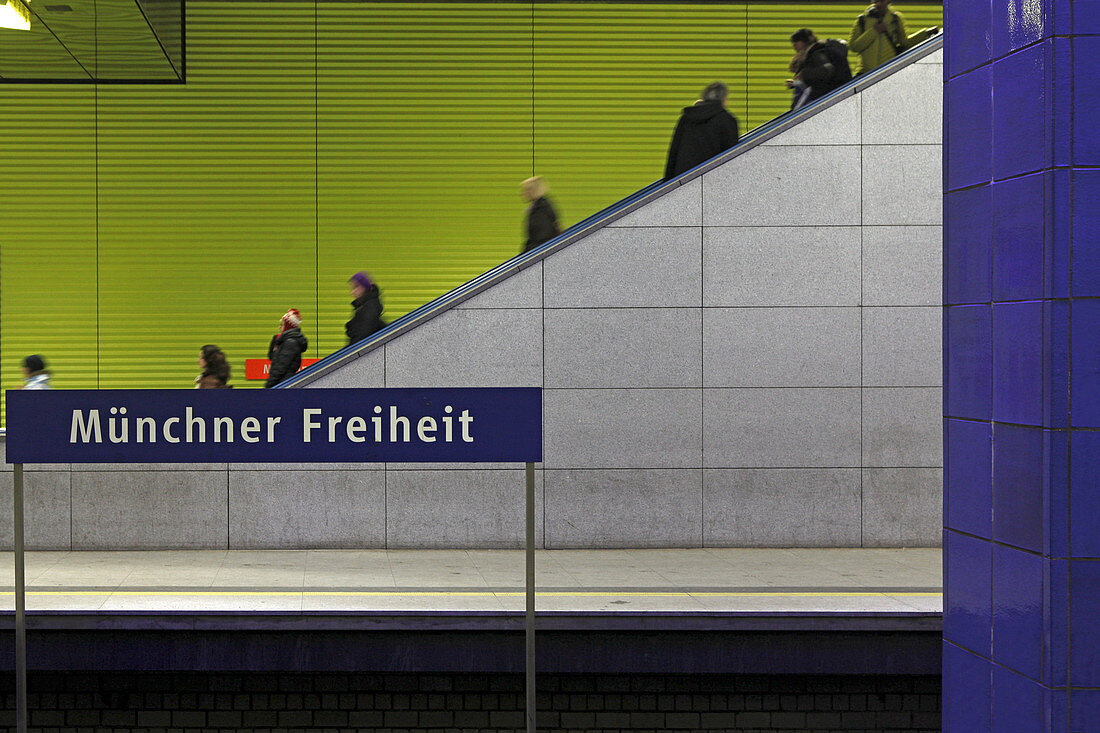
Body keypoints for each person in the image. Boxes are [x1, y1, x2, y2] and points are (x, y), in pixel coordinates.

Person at [663, 82, 740, 181]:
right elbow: (732, 157)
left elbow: (674, 151)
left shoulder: (686, 118)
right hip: (713, 180)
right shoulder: (727, 120)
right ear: (724, 100)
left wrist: (667, 182)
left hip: (682, 180)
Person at [848, 0, 939, 75]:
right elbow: (853, 46)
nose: (879, 4)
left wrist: (925, 33)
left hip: (888, 72)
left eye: (882, 1)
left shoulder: (895, 19)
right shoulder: (862, 20)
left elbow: (905, 43)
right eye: (877, 1)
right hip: (865, 73)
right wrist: (874, 31)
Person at [786, 28, 852, 110]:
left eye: (796, 41)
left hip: (829, 95)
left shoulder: (818, 52)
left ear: (804, 41)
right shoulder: (819, 50)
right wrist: (796, 82)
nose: (794, 45)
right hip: (836, 92)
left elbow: (827, 70)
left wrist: (804, 74)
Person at [265, 308, 308, 388]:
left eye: (282, 324)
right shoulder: (285, 341)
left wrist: (269, 385)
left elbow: (280, 367)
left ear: (287, 327)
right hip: (284, 382)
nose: (280, 327)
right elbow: (273, 358)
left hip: (282, 384)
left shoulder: (290, 343)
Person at [521, 176, 560, 253]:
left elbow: (541, 237)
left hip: (540, 253)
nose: (523, 193)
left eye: (527, 190)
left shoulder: (540, 210)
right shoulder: (539, 207)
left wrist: (527, 253)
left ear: (533, 190)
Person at [345, 271, 386, 345]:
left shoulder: (369, 308)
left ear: (364, 287)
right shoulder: (363, 306)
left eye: (356, 287)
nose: (352, 292)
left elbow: (362, 336)